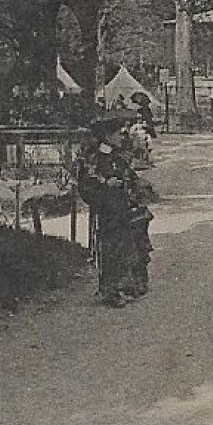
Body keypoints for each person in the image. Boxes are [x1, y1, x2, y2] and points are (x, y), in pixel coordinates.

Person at [76, 116, 152, 308]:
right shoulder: (93, 158)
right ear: (107, 136)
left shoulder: (119, 156)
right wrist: (105, 185)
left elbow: (131, 177)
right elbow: (85, 184)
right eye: (118, 134)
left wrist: (137, 187)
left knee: (131, 242)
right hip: (107, 209)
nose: (122, 137)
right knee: (110, 248)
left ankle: (129, 283)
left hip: (123, 206)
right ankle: (110, 290)